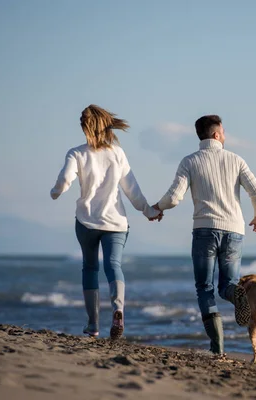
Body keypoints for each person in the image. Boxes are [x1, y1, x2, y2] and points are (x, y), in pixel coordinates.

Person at [153, 114, 256, 354]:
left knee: (204, 288)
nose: (225, 135)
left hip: (204, 230)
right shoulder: (236, 160)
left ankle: (218, 348)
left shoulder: (189, 161)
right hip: (234, 231)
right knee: (228, 284)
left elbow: (174, 197)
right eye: (223, 131)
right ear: (216, 135)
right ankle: (236, 294)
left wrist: (157, 208)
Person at [50, 104, 162, 340]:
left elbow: (64, 180)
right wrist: (148, 211)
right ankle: (118, 309)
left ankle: (93, 326)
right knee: (114, 266)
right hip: (115, 223)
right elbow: (132, 188)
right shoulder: (117, 153)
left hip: (86, 222)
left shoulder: (76, 153)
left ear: (84, 127)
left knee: (90, 268)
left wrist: (55, 192)